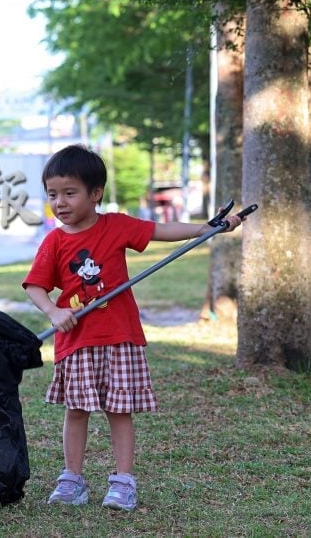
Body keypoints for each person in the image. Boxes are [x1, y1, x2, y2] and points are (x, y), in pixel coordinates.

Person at [23, 144, 241, 511]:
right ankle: (71, 479)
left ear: (95, 194)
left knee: (118, 410)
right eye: (52, 195)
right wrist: (52, 312)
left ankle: (123, 481)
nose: (59, 203)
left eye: (69, 193)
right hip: (77, 340)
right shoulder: (55, 241)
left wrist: (207, 228)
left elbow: (161, 230)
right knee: (76, 410)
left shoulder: (117, 226)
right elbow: (35, 286)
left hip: (120, 337)